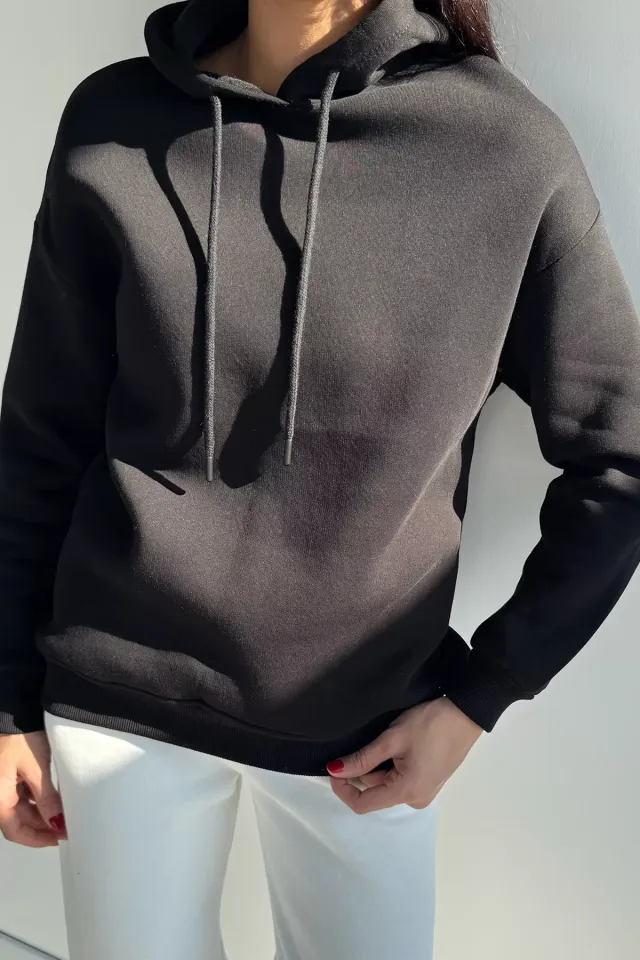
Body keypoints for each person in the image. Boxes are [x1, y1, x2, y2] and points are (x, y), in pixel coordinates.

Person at [1, 0, 639, 957]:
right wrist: (8, 698)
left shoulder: (501, 148)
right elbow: (40, 434)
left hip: (366, 737)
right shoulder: (116, 119)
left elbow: (622, 455)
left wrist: (481, 697)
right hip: (114, 704)